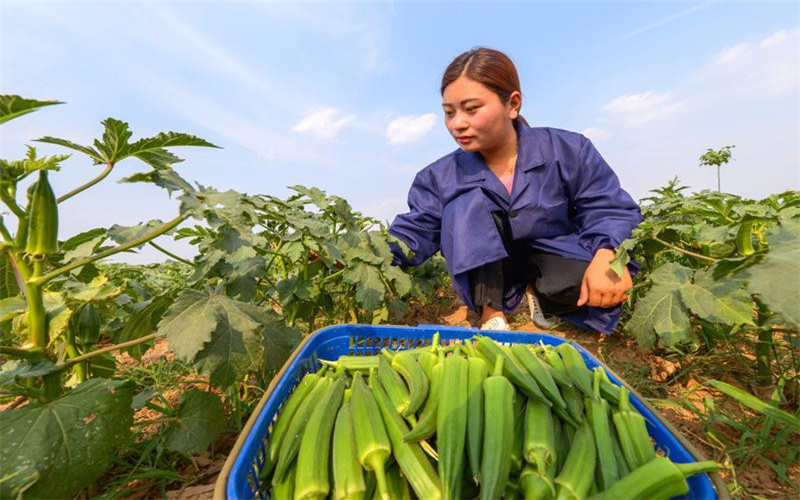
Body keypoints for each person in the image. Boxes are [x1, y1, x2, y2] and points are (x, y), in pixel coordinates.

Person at [389, 47, 643, 333]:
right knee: (464, 204)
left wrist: (609, 254)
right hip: (490, 264)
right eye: (449, 113)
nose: (457, 123)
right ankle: (491, 311)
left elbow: (608, 207)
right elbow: (415, 231)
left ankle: (543, 293)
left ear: (512, 104)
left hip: (552, 253)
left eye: (471, 109)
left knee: (578, 282)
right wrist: (364, 254)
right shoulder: (438, 176)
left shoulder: (568, 149)